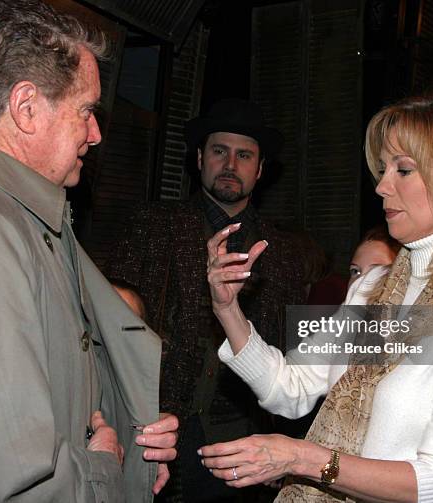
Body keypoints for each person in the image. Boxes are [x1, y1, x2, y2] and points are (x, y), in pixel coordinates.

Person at [199, 91, 433, 502]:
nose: (381, 186)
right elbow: (291, 386)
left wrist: (302, 459)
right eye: (383, 168)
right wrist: (227, 308)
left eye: (403, 169)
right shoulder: (372, 286)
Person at [0, 1, 177, 501]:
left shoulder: (23, 218)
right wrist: (102, 470)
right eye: (85, 110)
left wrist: (130, 442)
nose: (96, 133)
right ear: (25, 108)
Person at [106, 98, 306, 502]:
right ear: (200, 158)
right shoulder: (153, 226)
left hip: (245, 435)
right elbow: (113, 324)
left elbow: (293, 351)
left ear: (260, 169)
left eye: (244, 155)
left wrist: (283, 446)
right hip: (161, 428)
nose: (231, 164)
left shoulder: (284, 250)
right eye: (219, 151)